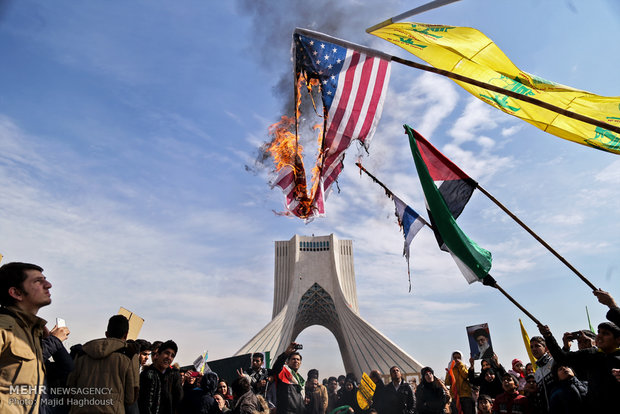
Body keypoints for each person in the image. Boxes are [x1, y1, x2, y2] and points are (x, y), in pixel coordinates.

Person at [0, 262, 53, 413]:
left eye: (45, 279)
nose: (48, 285)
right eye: (38, 281)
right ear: (16, 293)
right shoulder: (4, 327)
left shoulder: (32, 332)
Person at [539, 322, 620, 412]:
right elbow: (561, 359)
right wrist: (548, 336)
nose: (600, 336)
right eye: (599, 332)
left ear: (618, 340)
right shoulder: (591, 355)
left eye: (605, 333)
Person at [66, 314, 139, 413]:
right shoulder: (129, 354)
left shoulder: (82, 352)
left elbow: (70, 387)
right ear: (126, 335)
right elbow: (130, 397)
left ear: (106, 334)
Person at [139, 339, 183, 414]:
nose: (169, 357)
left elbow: (178, 401)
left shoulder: (174, 375)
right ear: (158, 354)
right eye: (167, 353)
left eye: (172, 356)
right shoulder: (145, 375)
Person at [271, 342, 305, 414]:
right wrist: (286, 353)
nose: (296, 361)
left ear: (300, 363)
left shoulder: (300, 380)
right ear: (288, 362)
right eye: (293, 359)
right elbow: (276, 366)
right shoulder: (283, 373)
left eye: (298, 359)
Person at [529, 336, 555, 412]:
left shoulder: (554, 362)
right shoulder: (537, 372)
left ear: (546, 348)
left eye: (537, 346)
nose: (533, 349)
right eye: (531, 347)